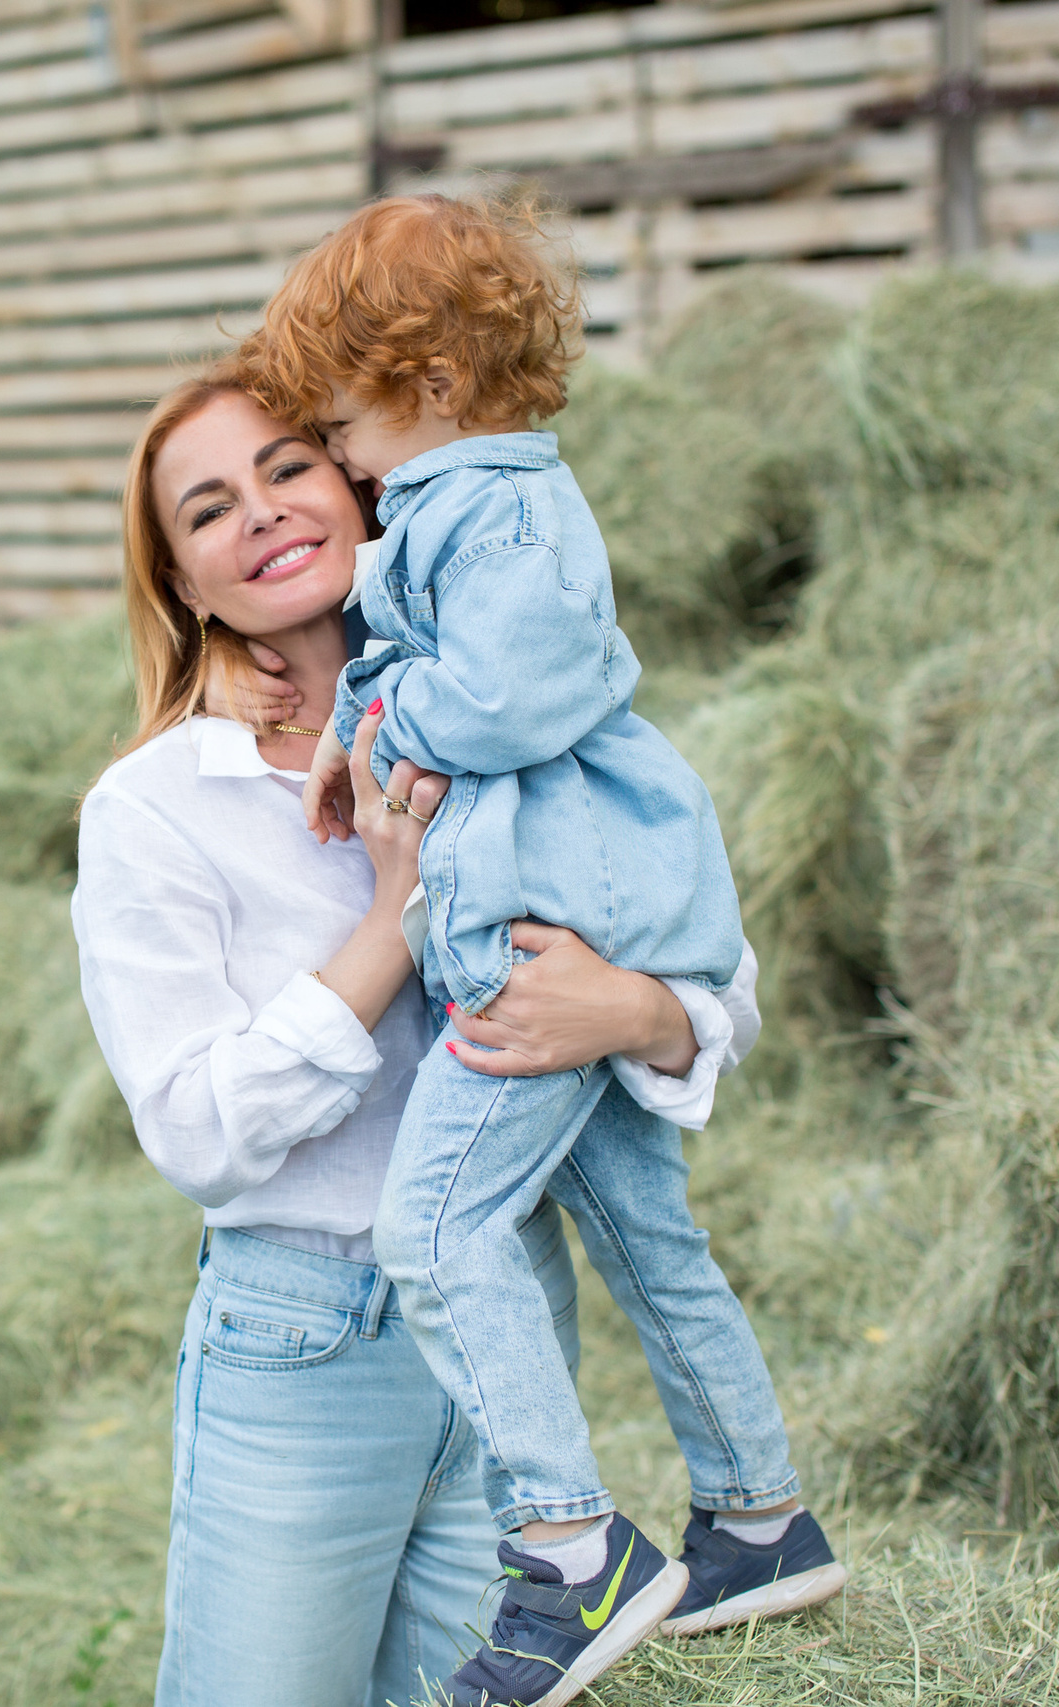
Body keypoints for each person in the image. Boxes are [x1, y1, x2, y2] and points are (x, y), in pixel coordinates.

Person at [72, 371, 768, 1707]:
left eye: (290, 467)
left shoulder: (541, 726)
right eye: (211, 508)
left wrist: (634, 1012)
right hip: (305, 1345)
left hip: (513, 1341)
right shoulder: (157, 807)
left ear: (360, 486)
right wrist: (397, 912)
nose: (265, 512)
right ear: (186, 585)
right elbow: (198, 1131)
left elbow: (724, 985)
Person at [235, 192, 842, 1705]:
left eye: (344, 414)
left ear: (433, 385)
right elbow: (428, 680)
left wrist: (394, 725)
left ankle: (576, 1554)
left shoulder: (496, 510)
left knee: (432, 1233)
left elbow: (522, 682)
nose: (335, 447)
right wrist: (357, 735)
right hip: (567, 917)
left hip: (543, 935)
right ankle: (761, 1518)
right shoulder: (460, 512)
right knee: (649, 1239)